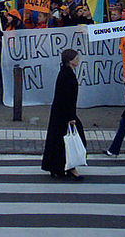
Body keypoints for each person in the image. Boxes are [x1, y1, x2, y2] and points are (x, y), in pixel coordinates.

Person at [41, 48, 85, 180]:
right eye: (76, 58)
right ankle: (70, 168)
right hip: (65, 113)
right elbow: (67, 97)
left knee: (59, 140)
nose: (78, 60)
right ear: (70, 60)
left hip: (60, 112)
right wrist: (71, 117)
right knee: (69, 140)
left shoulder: (65, 72)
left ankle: (58, 167)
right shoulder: (67, 75)